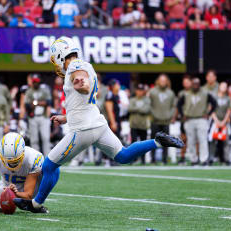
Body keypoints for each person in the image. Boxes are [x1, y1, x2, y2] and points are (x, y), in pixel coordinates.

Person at [14, 36, 184, 213]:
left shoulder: (75, 66)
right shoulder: (86, 64)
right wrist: (66, 117)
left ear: (61, 55)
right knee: (123, 155)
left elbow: (82, 83)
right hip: (97, 124)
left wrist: (83, 84)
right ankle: (157, 142)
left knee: (49, 166)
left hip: (83, 130)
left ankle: (36, 204)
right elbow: (83, 100)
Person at [0, 132, 47, 213]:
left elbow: (28, 195)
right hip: (6, 189)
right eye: (8, 161)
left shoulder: (32, 158)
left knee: (52, 169)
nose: (11, 164)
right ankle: (2, 205)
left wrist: (16, 193)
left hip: (28, 193)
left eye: (15, 161)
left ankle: (37, 205)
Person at [176, 77, 217, 165]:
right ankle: (193, 159)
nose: (195, 85)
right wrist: (182, 115)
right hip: (189, 119)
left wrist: (209, 113)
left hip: (201, 119)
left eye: (197, 84)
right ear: (191, 84)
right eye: (194, 83)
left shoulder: (205, 93)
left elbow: (214, 103)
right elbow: (179, 104)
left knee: (203, 140)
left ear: (199, 84)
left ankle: (203, 159)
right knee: (191, 141)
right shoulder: (186, 94)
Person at [149, 74, 176, 164]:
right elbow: (149, 105)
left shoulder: (170, 93)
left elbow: (173, 106)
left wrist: (170, 115)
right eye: (161, 80)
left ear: (167, 82)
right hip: (155, 120)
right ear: (158, 81)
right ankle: (153, 159)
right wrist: (154, 114)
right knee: (153, 141)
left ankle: (165, 159)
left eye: (164, 81)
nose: (163, 82)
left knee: (165, 141)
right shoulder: (152, 92)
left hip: (166, 121)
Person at [25, 74, 52, 155]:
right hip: (33, 117)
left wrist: (36, 103)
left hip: (43, 116)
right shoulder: (29, 91)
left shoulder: (44, 90)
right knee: (34, 140)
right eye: (34, 82)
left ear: (39, 82)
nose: (35, 84)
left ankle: (47, 157)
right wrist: (40, 103)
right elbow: (27, 105)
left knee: (45, 138)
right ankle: (35, 157)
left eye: (37, 82)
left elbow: (48, 102)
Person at [208, 82, 230, 165]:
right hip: (214, 121)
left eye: (225, 86)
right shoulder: (214, 96)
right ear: (219, 86)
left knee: (225, 140)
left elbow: (228, 110)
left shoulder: (227, 98)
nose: (224, 87)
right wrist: (217, 121)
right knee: (212, 140)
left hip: (224, 122)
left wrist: (224, 121)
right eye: (222, 86)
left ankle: (226, 159)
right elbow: (211, 109)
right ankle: (210, 158)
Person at [128, 84, 150, 164]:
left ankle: (143, 160)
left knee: (143, 143)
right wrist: (140, 109)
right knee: (133, 143)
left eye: (141, 90)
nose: (140, 92)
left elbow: (147, 110)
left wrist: (136, 109)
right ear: (136, 91)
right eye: (138, 90)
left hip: (143, 125)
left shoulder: (147, 100)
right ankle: (132, 159)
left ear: (143, 91)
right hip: (134, 124)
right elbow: (129, 108)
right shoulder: (132, 99)